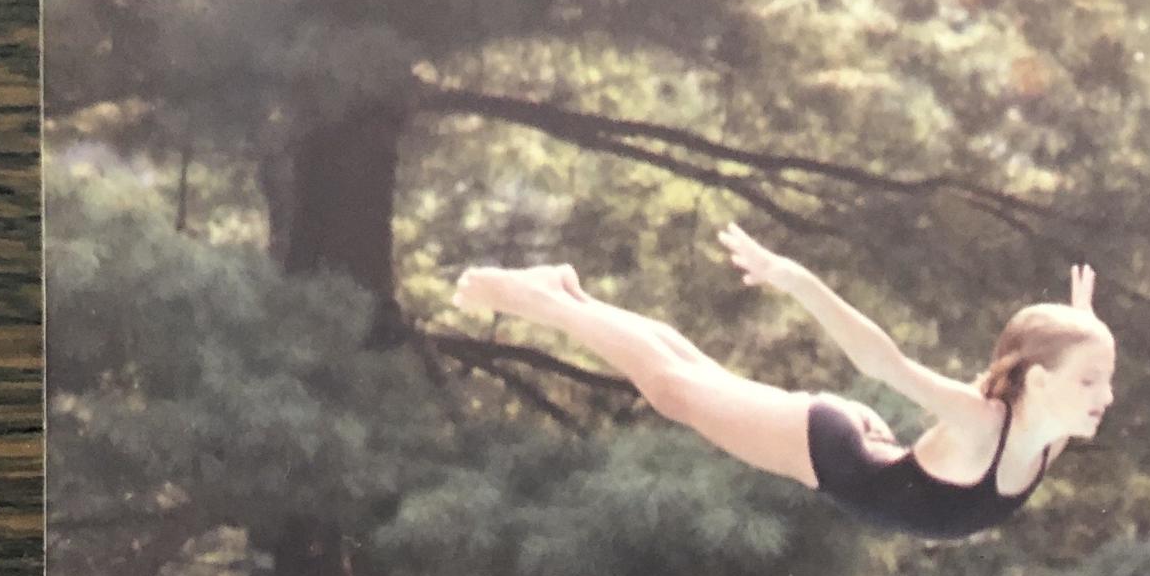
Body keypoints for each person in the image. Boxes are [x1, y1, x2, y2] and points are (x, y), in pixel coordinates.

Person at [454, 227, 1114, 541]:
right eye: (1091, 381)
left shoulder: (1052, 426)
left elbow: (1048, 360)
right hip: (830, 450)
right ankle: (552, 302)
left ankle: (569, 294)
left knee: (692, 381)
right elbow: (881, 362)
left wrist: (1081, 326)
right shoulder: (982, 424)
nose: (1105, 397)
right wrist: (798, 281)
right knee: (674, 389)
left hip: (871, 449)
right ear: (1039, 379)